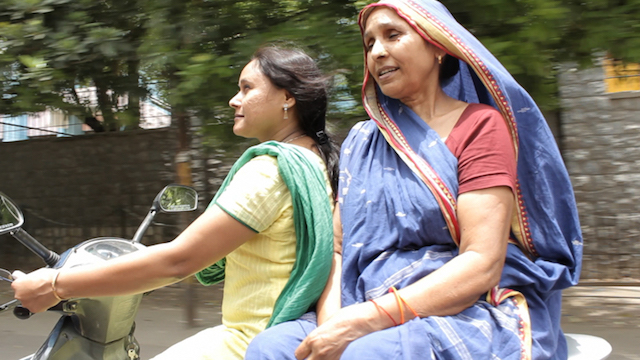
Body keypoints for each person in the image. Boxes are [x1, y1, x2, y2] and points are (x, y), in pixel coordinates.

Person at [244, 1, 582, 359]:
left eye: (392, 35)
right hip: (361, 298)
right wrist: (334, 323)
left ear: (437, 46)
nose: (377, 51)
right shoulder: (363, 140)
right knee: (270, 347)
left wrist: (365, 323)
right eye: (370, 42)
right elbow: (339, 248)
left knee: (368, 354)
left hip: (455, 307)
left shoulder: (478, 127)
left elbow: (482, 261)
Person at [11, 45, 339, 360]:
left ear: (287, 97)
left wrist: (54, 285)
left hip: (249, 342)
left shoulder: (270, 172)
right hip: (288, 333)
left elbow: (179, 262)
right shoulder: (316, 161)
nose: (233, 100)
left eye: (247, 88)